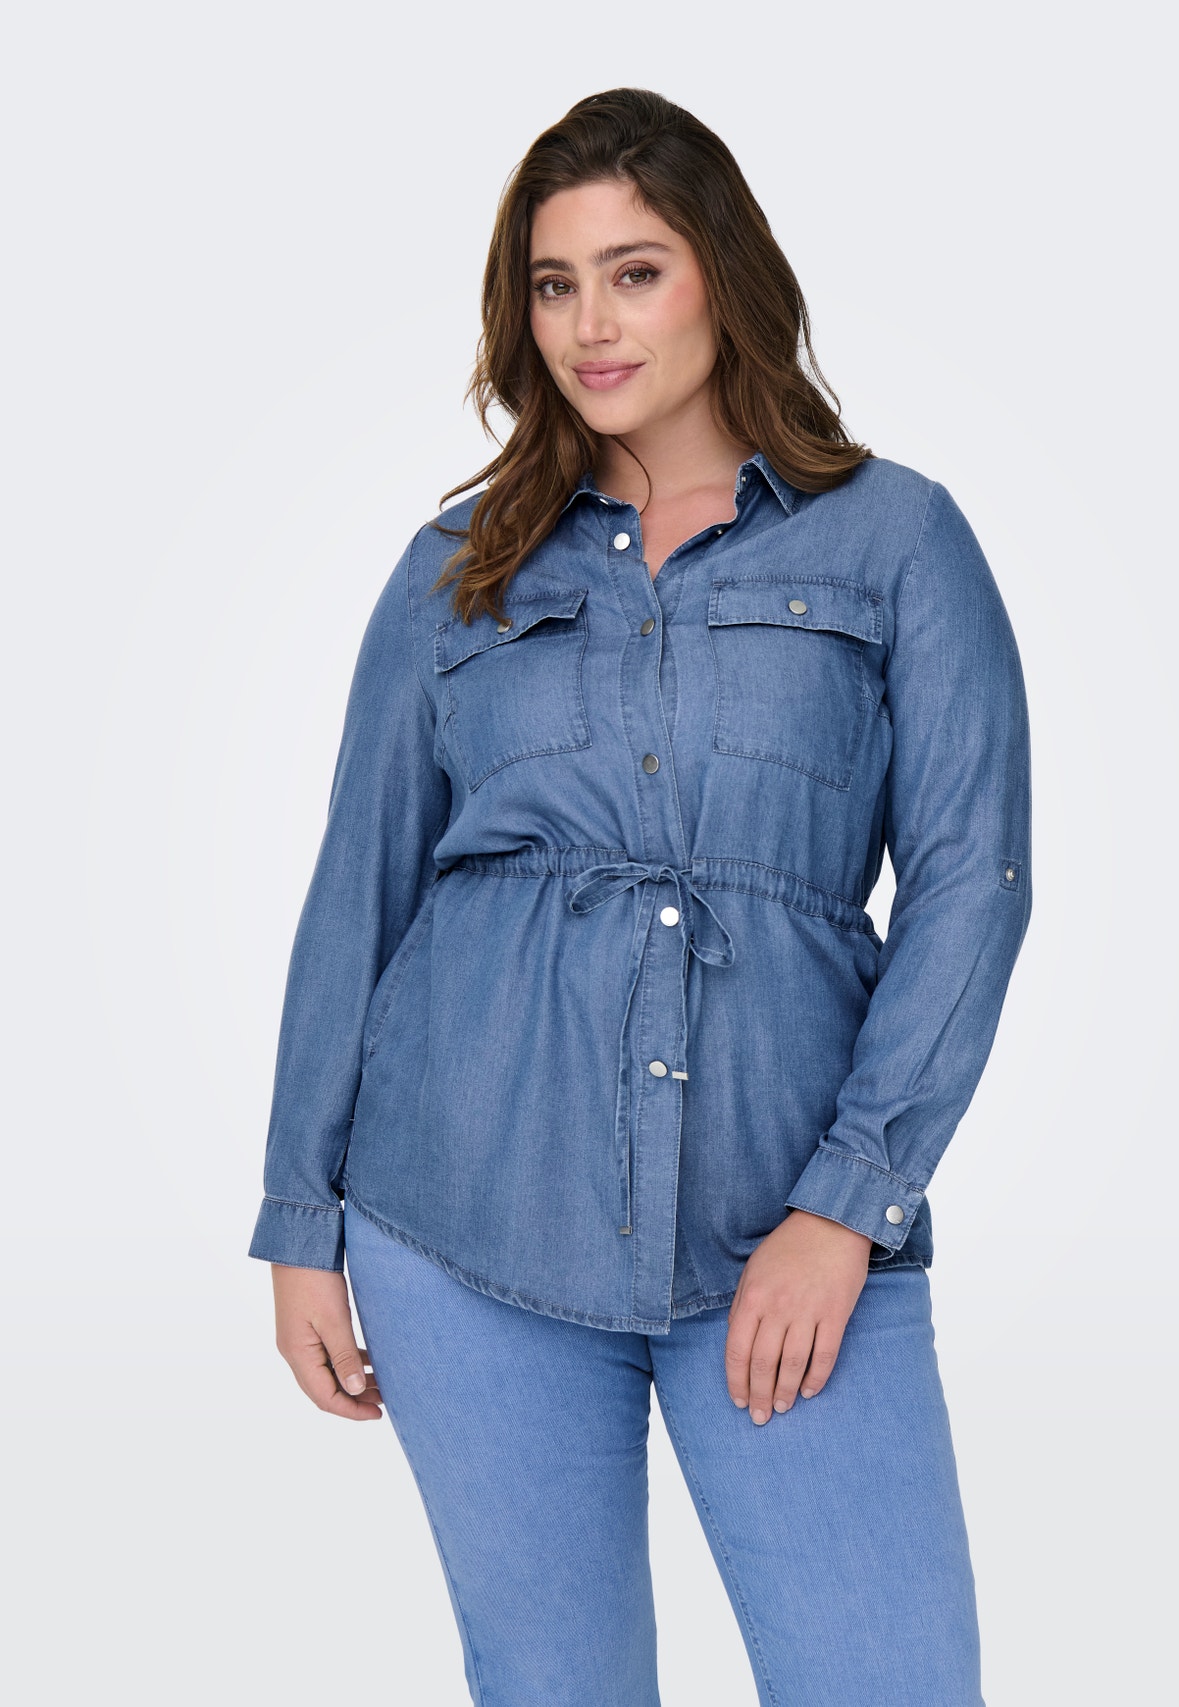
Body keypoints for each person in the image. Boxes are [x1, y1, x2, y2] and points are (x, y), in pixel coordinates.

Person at [248, 87, 1033, 1707]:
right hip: (465, 1224)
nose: (590, 325)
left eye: (635, 272)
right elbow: (358, 895)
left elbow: (973, 883)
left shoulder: (897, 543)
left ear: (723, 277)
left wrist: (848, 1206)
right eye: (554, 284)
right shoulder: (456, 571)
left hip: (787, 1229)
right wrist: (299, 1225)